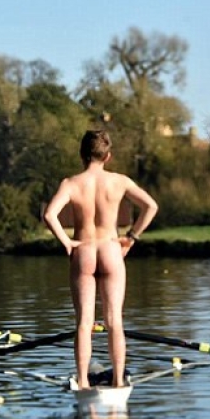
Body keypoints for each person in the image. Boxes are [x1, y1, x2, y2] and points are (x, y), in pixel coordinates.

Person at [43, 129, 158, 389]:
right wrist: (132, 237)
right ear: (108, 156)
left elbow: (50, 215)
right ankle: (118, 381)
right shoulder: (120, 181)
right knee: (114, 321)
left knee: (84, 323)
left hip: (83, 250)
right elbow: (151, 206)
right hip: (111, 250)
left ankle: (82, 381)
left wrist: (67, 242)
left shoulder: (71, 183)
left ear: (82, 155)